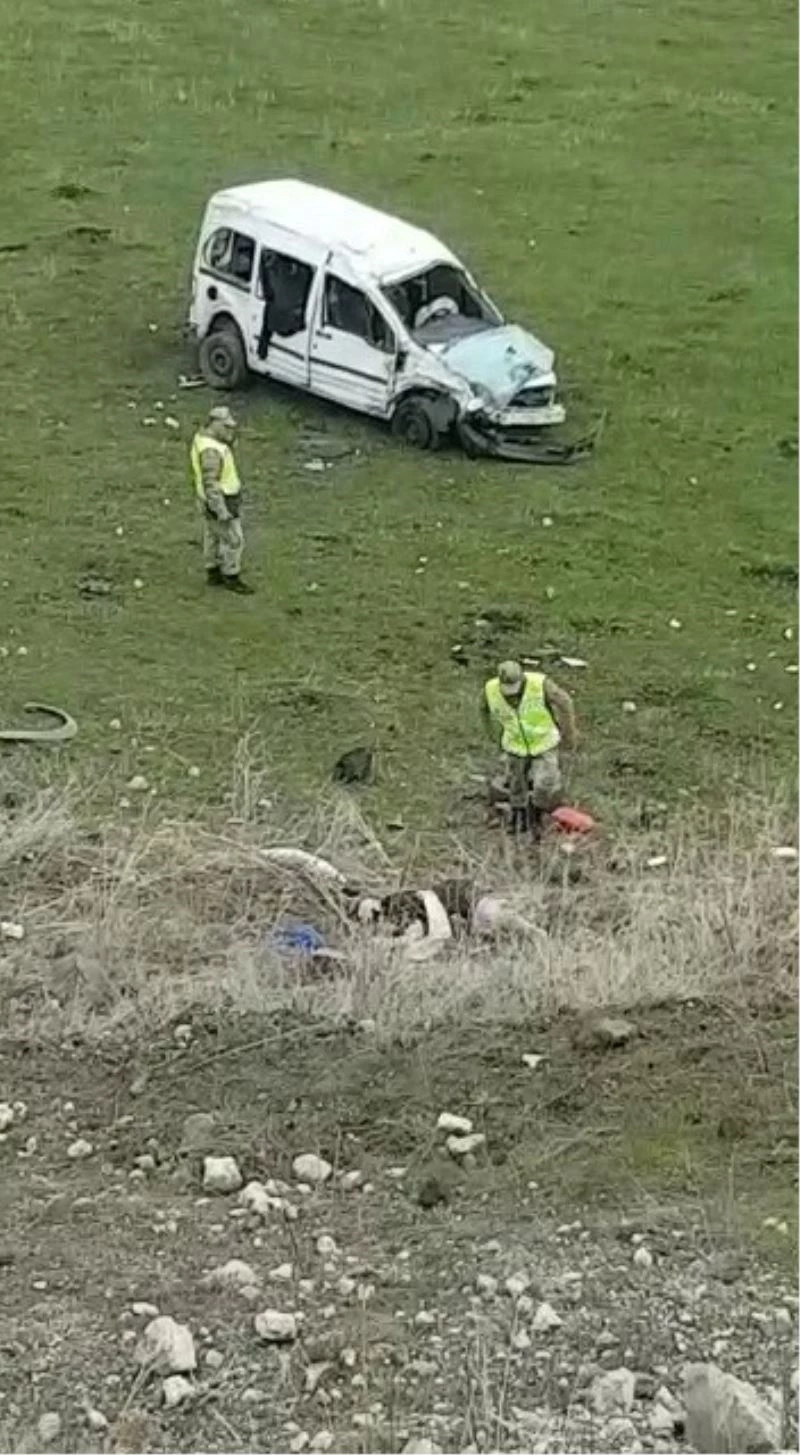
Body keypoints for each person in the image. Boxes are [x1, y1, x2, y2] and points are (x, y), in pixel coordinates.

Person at [482, 659, 577, 836]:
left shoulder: (540, 684)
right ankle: (518, 818)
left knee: (545, 782)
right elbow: (483, 710)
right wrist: (494, 738)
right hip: (515, 745)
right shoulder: (490, 689)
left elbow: (565, 702)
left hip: (544, 742)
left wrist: (568, 734)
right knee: (516, 782)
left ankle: (536, 815)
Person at [189, 406, 252, 594]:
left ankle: (213, 571)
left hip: (206, 500)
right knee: (234, 539)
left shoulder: (203, 440)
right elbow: (211, 483)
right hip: (222, 501)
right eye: (225, 427)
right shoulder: (212, 451)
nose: (229, 430)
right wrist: (221, 510)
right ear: (214, 424)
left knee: (212, 536)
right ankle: (231, 575)